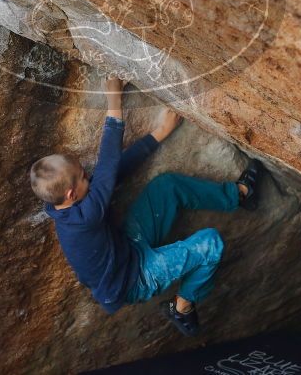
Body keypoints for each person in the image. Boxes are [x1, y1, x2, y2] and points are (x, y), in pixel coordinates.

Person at [29, 77, 265, 336]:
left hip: (129, 247)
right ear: (71, 194)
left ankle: (240, 196)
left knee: (167, 186)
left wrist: (160, 133)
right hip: (136, 279)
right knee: (211, 244)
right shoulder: (83, 219)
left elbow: (114, 172)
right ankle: (183, 306)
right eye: (84, 175)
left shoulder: (70, 203)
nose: (89, 175)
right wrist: (114, 100)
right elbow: (108, 165)